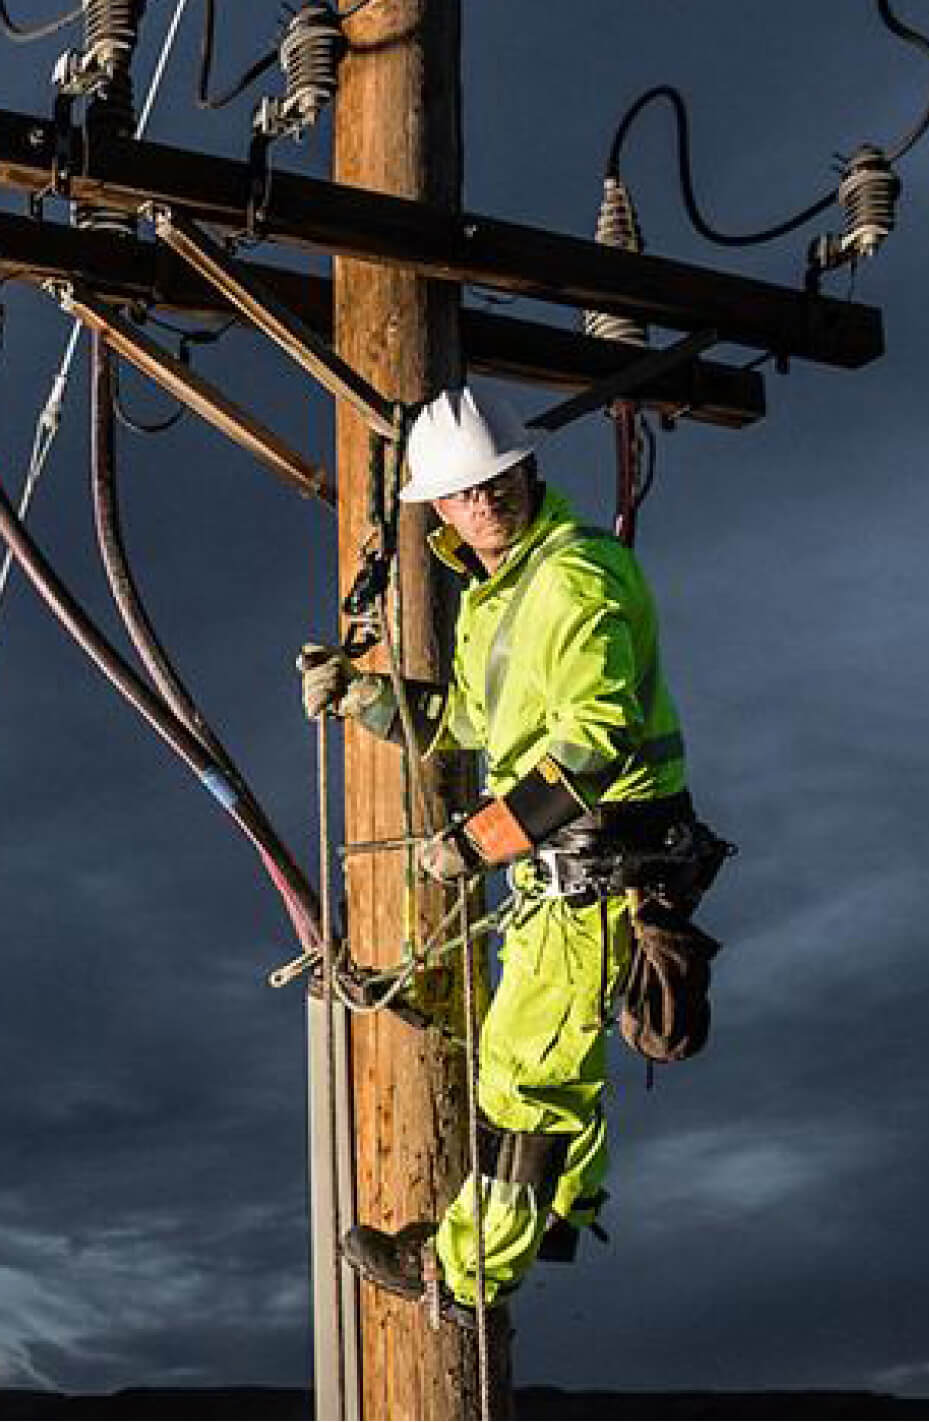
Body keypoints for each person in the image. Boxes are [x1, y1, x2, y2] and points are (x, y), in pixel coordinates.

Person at [299, 382, 697, 1320]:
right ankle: (559, 1210)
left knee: (525, 1078)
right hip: (562, 873)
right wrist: (362, 695)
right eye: (463, 492)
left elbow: (592, 742)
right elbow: (469, 722)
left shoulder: (573, 576)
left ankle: (465, 1272)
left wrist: (471, 845)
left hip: (602, 867)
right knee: (544, 1060)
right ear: (437, 508)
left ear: (527, 471)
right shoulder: (496, 595)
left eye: (497, 482)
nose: (483, 502)